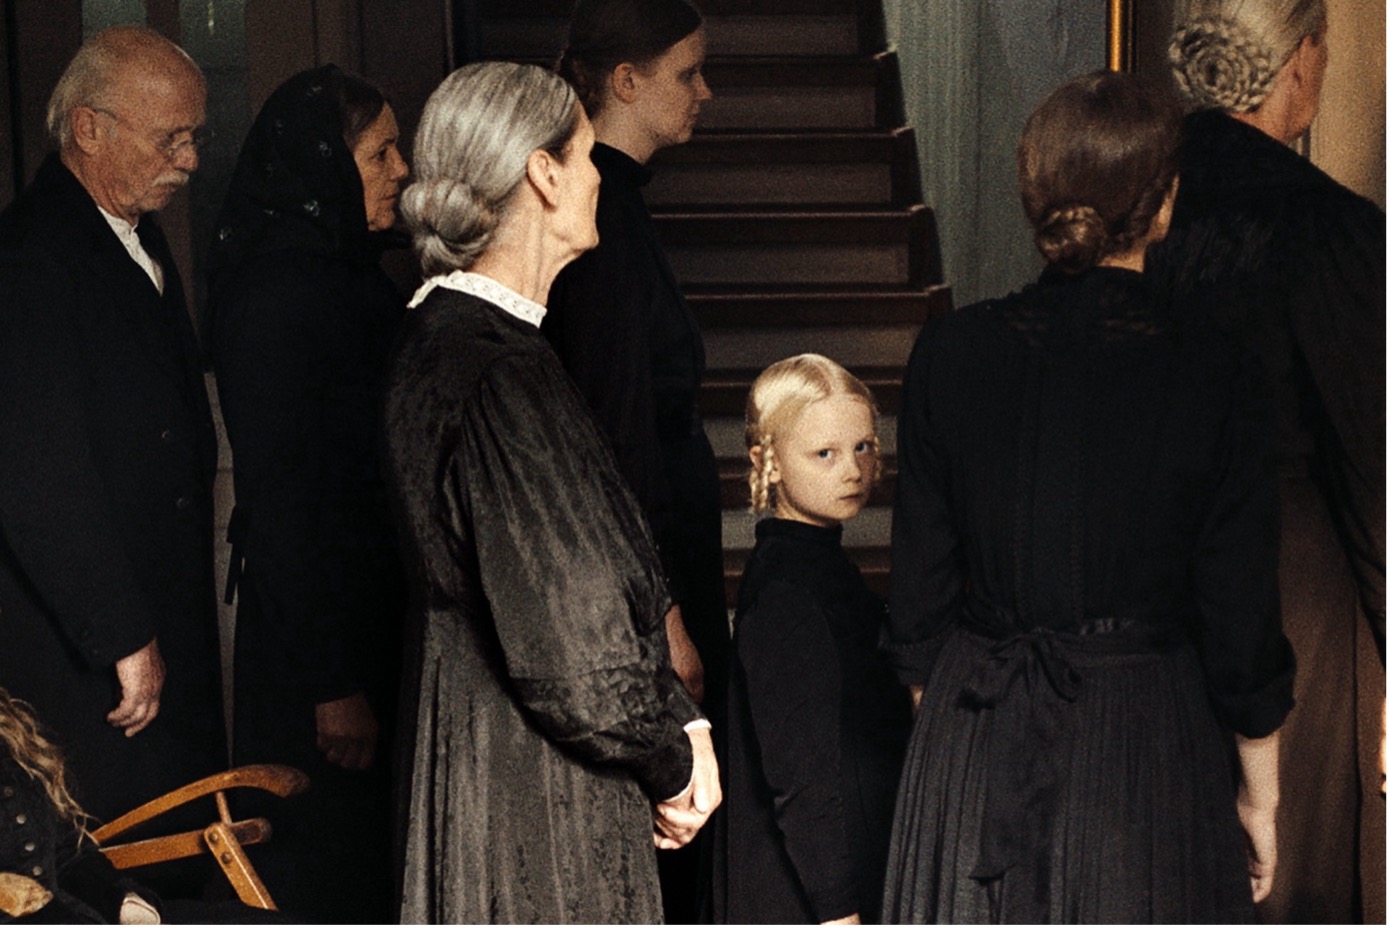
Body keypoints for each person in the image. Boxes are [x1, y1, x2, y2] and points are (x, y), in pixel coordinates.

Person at [882, 71, 1295, 923]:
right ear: (1165, 204)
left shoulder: (950, 352)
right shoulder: (1217, 368)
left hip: (973, 731)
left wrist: (952, 763)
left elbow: (919, 605)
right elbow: (1240, 612)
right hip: (1144, 748)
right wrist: (1262, 798)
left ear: (1035, 197)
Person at [384, 60, 721, 924]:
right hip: (531, 799)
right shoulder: (493, 367)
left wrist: (675, 721)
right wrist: (673, 756)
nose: (600, 175)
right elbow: (573, 656)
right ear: (543, 173)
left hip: (495, 768)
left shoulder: (473, 342)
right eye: (586, 153)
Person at [1155, 2, 1386, 921]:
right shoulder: (1328, 225)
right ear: (1300, 60)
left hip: (1150, 580)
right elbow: (1370, 456)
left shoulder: (1139, 198)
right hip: (1298, 592)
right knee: (1296, 876)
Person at [0, 26, 225, 829]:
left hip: (154, 615)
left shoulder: (132, 234)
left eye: (195, 137)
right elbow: (36, 475)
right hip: (87, 654)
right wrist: (123, 634)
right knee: (115, 856)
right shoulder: (29, 257)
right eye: (171, 138)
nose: (190, 160)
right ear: (88, 129)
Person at [205, 65, 410, 924]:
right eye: (380, 154)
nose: (402, 170)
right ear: (323, 164)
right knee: (323, 868)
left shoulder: (348, 273)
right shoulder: (275, 294)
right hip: (318, 650)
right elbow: (285, 497)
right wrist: (334, 682)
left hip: (363, 619)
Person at [546, 5, 722, 915]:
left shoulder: (621, 202)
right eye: (686, 73)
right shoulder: (603, 214)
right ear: (625, 81)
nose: (705, 91)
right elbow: (615, 435)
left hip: (658, 550)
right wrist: (665, 615)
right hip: (648, 566)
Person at [715, 354, 911, 925]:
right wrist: (840, 912)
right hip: (806, 898)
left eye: (863, 446)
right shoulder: (788, 592)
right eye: (824, 453)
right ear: (767, 463)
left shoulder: (819, 565)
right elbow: (800, 778)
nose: (852, 470)